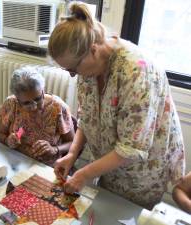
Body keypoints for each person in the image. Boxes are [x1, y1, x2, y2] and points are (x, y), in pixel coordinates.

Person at [48, 1, 185, 209]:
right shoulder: (89, 67)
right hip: (109, 166)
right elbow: (87, 116)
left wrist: (84, 173)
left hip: (141, 174)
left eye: (73, 69)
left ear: (93, 50)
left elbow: (131, 148)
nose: (73, 75)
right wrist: (72, 154)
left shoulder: (136, 71)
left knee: (127, 216)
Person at [0, 66, 75, 166]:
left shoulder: (58, 108)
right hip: (16, 160)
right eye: (26, 103)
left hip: (45, 166)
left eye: (38, 99)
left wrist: (55, 149)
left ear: (42, 91)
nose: (34, 107)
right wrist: (7, 141)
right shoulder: (11, 104)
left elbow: (73, 143)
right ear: (17, 99)